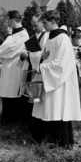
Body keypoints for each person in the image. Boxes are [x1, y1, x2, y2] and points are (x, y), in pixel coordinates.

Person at [32, 10, 81, 148]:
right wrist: (41, 60)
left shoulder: (63, 38)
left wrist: (42, 68)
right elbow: (48, 57)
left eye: (45, 22)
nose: (43, 25)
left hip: (59, 81)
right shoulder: (50, 37)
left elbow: (61, 64)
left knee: (58, 109)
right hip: (49, 78)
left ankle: (62, 142)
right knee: (49, 109)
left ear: (53, 22)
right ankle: (49, 140)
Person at [0, 10, 30, 125]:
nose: (7, 22)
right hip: (9, 68)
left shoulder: (22, 34)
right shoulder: (16, 33)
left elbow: (3, 50)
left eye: (8, 20)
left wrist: (8, 35)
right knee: (8, 94)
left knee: (13, 93)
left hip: (15, 68)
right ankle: (7, 120)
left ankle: (11, 121)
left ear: (12, 19)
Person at [19, 13, 49, 142]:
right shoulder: (34, 36)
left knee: (37, 99)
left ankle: (37, 127)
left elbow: (44, 55)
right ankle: (29, 125)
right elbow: (24, 50)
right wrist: (25, 54)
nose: (33, 28)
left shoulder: (47, 37)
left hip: (39, 72)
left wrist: (30, 55)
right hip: (31, 69)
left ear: (42, 23)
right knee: (30, 98)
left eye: (35, 25)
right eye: (32, 25)